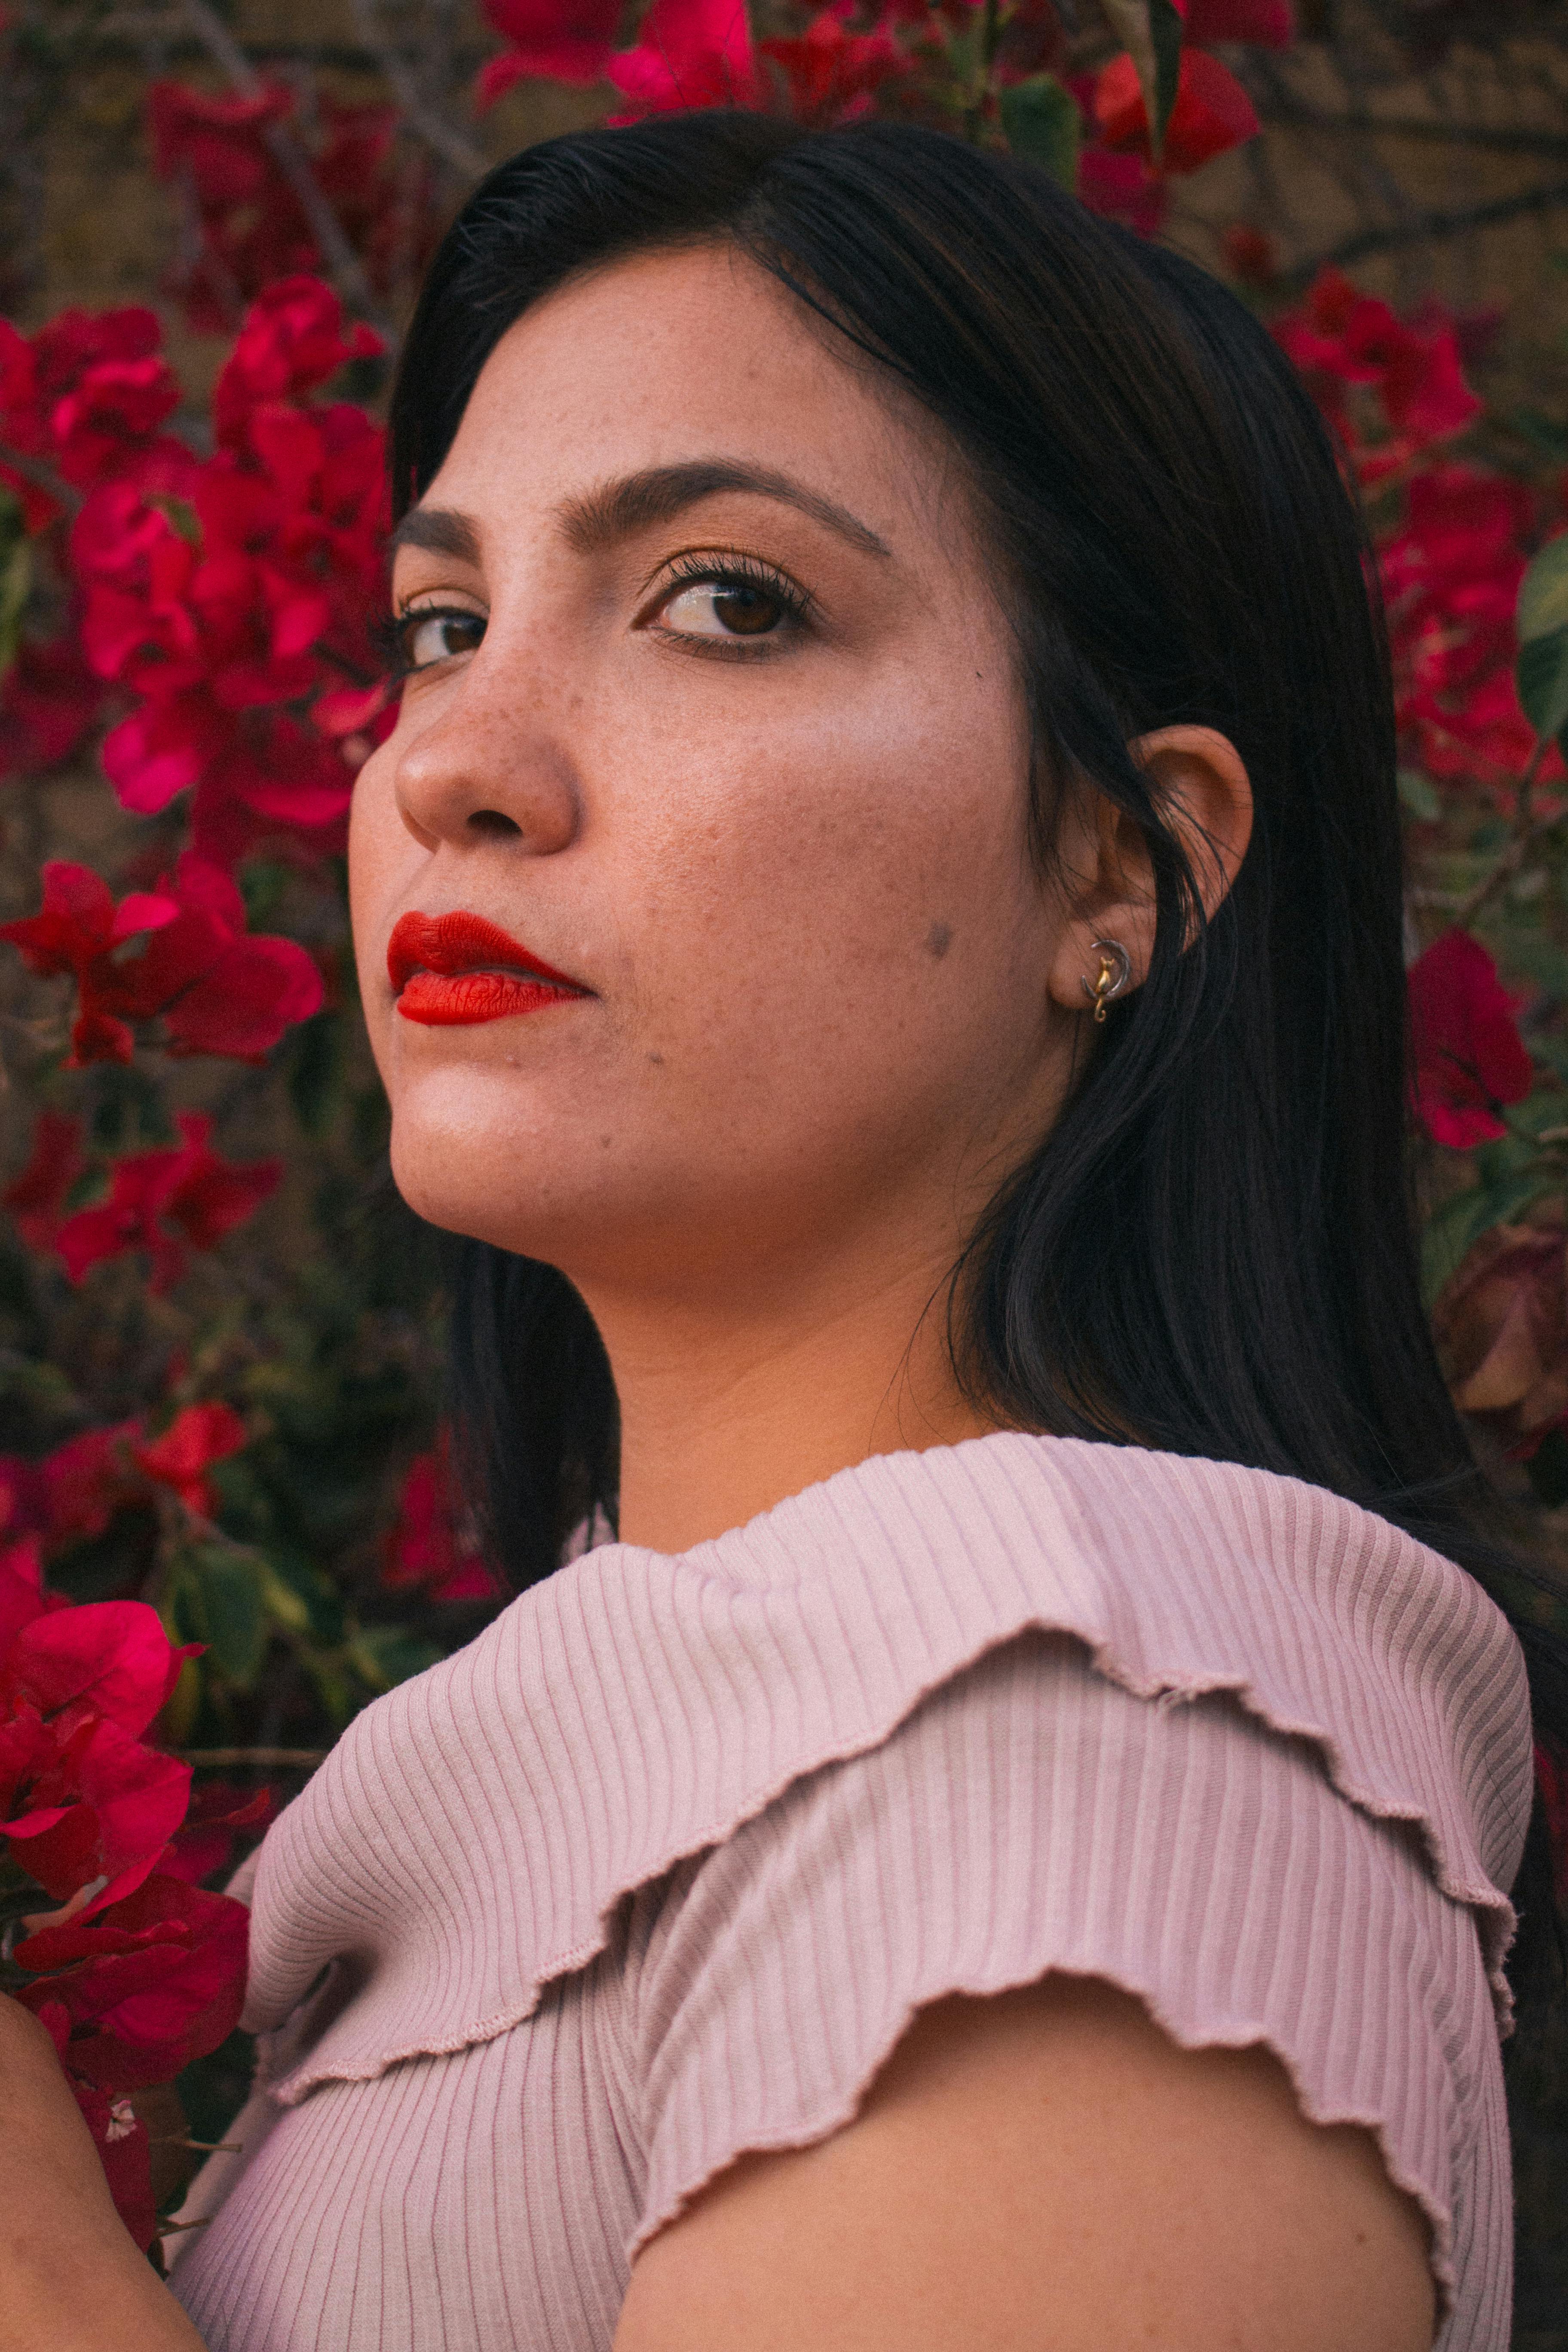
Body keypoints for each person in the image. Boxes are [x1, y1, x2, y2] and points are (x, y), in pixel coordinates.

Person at [0, 109, 1555, 2352]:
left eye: (726, 602)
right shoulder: (685, 1756)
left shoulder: (1081, 1781)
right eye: (439, 622)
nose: (458, 756)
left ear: (1129, 870)